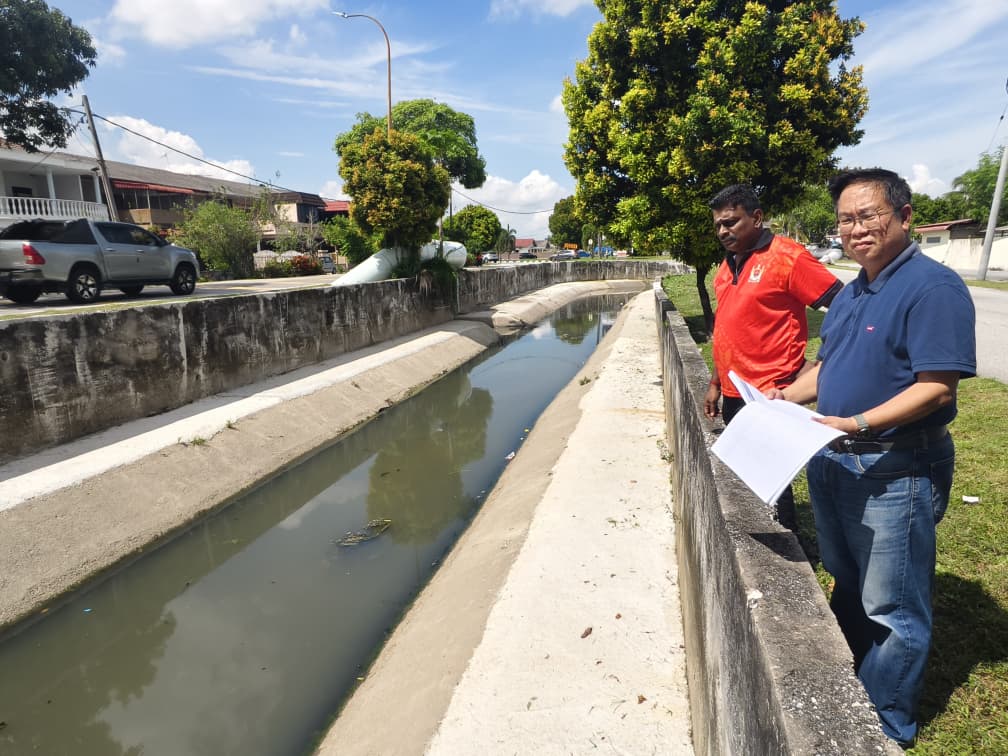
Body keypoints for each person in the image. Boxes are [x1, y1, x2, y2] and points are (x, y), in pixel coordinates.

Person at [766, 168, 976, 747]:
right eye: (845, 219)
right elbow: (831, 366)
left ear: (905, 217)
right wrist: (783, 398)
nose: (856, 229)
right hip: (833, 459)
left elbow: (937, 387)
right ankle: (854, 683)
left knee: (894, 606)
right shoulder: (855, 287)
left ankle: (884, 725)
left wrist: (855, 422)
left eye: (869, 215)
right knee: (850, 578)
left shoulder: (932, 288)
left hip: (894, 467)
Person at [704, 184, 842, 527]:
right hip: (736, 390)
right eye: (719, 224)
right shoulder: (727, 265)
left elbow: (844, 306)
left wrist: (825, 359)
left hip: (772, 391)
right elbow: (727, 326)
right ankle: (759, 533)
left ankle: (785, 545)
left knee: (771, 478)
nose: (724, 231)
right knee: (746, 473)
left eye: (732, 222)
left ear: (757, 218)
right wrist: (715, 381)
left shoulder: (786, 257)